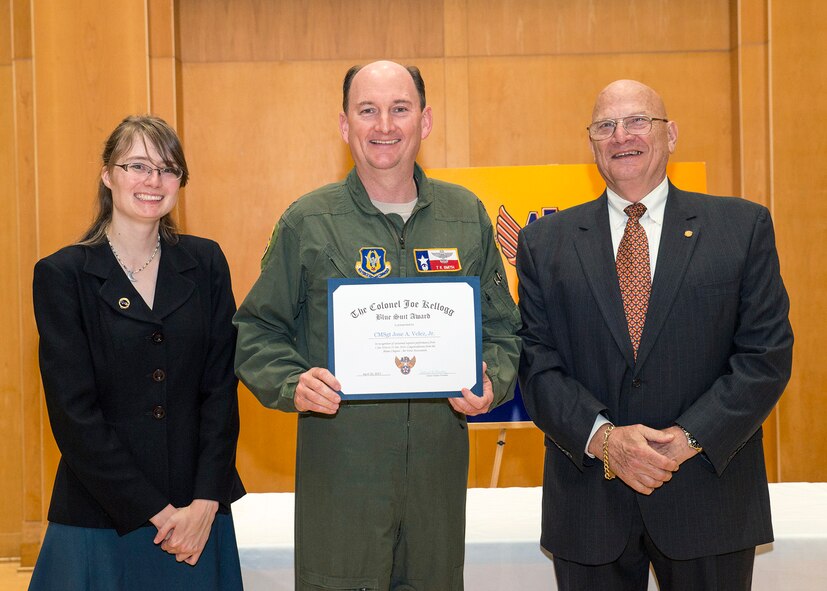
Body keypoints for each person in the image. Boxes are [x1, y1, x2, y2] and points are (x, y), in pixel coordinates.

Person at [233, 60, 521, 590]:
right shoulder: (308, 221)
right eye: (368, 111)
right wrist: (292, 382)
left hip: (436, 480)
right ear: (345, 126)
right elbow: (255, 332)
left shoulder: (466, 216)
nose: (384, 126)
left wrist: (492, 380)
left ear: (425, 122)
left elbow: (504, 332)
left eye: (399, 110)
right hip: (341, 479)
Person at [516, 80, 793, 590]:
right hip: (590, 506)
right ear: (592, 144)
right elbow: (536, 363)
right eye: (606, 126)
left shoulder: (741, 227)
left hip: (709, 498)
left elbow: (765, 355)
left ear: (671, 135)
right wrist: (604, 439)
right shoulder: (543, 243)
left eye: (638, 120)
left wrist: (687, 438)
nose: (622, 136)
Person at [29, 115, 245, 590]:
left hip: (197, 518)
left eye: (169, 169)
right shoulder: (63, 275)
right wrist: (156, 512)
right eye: (137, 166)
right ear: (108, 175)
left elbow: (221, 390)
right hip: (101, 514)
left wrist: (206, 502)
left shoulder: (205, 262)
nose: (153, 181)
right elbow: (73, 413)